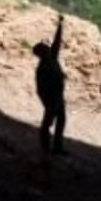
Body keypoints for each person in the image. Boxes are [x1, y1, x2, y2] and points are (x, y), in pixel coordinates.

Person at [33, 14, 67, 155]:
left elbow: (57, 41)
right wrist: (47, 101)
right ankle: (46, 148)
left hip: (57, 96)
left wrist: (60, 26)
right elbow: (40, 88)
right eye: (45, 49)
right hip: (52, 98)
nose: (48, 49)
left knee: (61, 120)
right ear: (41, 53)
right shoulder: (43, 67)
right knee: (47, 123)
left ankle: (56, 147)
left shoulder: (51, 58)